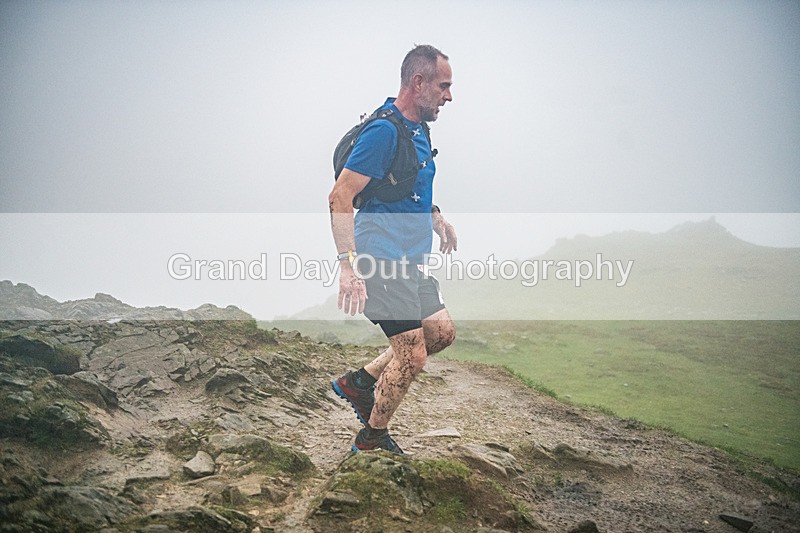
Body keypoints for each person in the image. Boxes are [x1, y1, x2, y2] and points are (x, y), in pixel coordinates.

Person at [328, 44, 458, 454]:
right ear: (418, 82)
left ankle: (359, 382)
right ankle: (371, 440)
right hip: (380, 257)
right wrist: (348, 266)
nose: (449, 96)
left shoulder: (419, 129)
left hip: (410, 258)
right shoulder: (384, 131)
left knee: (440, 334)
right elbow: (340, 196)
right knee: (412, 356)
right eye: (443, 86)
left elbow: (406, 184)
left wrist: (436, 216)